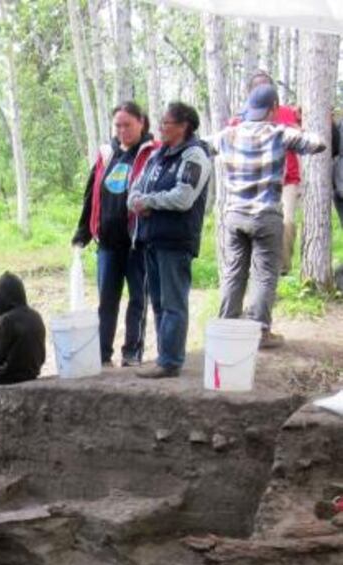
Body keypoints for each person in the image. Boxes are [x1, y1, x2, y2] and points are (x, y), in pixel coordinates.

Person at [209, 84, 325, 349]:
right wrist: (293, 124)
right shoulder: (280, 133)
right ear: (273, 108)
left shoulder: (229, 134)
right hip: (265, 215)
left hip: (235, 215)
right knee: (264, 273)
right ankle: (260, 331)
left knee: (234, 271)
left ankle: (227, 323)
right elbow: (318, 144)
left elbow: (202, 146)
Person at [128, 102, 212, 380]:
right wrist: (139, 202)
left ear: (183, 125)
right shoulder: (157, 155)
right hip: (151, 238)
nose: (161, 127)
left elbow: (183, 197)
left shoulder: (194, 157)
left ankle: (171, 360)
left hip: (176, 241)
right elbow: (135, 188)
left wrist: (149, 202)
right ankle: (165, 357)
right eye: (161, 122)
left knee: (174, 302)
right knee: (159, 303)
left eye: (167, 123)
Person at [73, 102, 159, 367]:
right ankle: (102, 354)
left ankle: (132, 352)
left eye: (128, 125)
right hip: (108, 241)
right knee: (106, 301)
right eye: (118, 125)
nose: (122, 131)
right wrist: (83, 231)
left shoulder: (153, 153)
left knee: (137, 299)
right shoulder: (107, 154)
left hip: (138, 242)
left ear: (141, 122)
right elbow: (92, 194)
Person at [232, 72, 303, 275]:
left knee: (286, 222)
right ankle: (256, 270)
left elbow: (306, 132)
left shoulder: (287, 113)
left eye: (266, 87)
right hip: (255, 181)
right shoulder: (241, 119)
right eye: (258, 88)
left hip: (287, 180)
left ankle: (281, 270)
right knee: (255, 225)